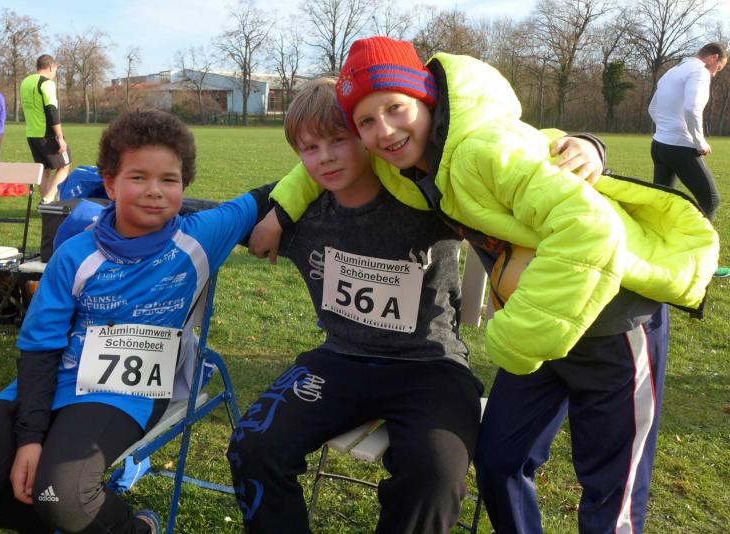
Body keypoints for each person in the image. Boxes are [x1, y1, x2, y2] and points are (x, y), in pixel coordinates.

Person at [261, 37, 718, 534]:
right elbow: (329, 157)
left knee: (612, 492)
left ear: (426, 98)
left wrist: (589, 146)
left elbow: (590, 229)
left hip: (614, 322)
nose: (384, 130)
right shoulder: (407, 162)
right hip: (539, 326)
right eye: (366, 121)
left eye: (395, 108)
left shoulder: (478, 149)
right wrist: (279, 211)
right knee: (500, 463)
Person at [0, 109, 272, 534]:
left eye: (169, 179)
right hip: (55, 378)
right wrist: (30, 437)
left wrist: (277, 217)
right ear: (110, 184)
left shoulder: (201, 234)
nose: (155, 191)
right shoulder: (75, 254)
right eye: (138, 177)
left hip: (128, 391)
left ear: (184, 185)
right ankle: (71, 520)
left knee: (58, 495)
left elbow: (274, 192)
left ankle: (133, 527)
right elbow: (39, 348)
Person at [228, 77, 488, 534]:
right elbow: (215, 215)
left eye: (338, 139)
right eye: (310, 148)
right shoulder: (297, 212)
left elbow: (510, 168)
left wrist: (584, 147)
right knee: (252, 447)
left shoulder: (427, 195)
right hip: (340, 361)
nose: (325, 157)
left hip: (431, 366)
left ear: (368, 138)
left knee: (433, 478)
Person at [649, 42, 728, 277]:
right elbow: (692, 109)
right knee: (710, 199)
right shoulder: (699, 72)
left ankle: (655, 255)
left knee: (661, 202)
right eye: (719, 68)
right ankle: (703, 264)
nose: (715, 74)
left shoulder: (672, 71)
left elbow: (652, 108)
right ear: (713, 57)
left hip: (659, 145)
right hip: (680, 147)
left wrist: (666, 128)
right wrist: (699, 142)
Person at [20, 54, 71, 204]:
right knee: (65, 165)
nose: (55, 73)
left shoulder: (25, 82)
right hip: (47, 134)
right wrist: (60, 137)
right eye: (55, 70)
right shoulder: (47, 83)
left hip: (31, 134)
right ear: (50, 67)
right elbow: (51, 111)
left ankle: (45, 204)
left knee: (44, 170)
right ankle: (48, 200)